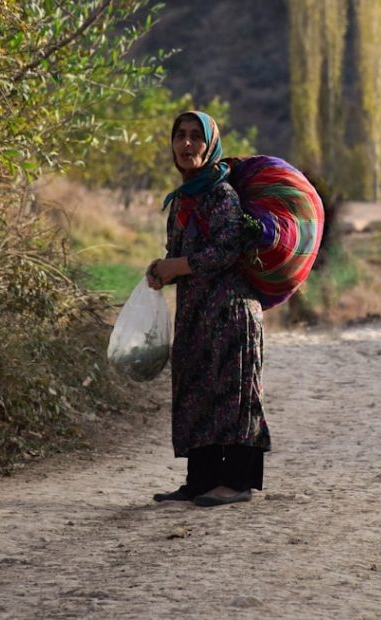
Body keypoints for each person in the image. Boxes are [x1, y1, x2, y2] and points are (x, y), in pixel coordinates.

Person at [146, 111, 269, 507]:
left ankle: (235, 483)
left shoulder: (221, 194)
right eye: (179, 136)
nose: (186, 145)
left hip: (231, 313)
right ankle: (198, 481)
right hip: (197, 314)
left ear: (211, 145)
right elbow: (179, 254)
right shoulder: (184, 198)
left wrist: (177, 266)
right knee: (196, 390)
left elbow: (226, 250)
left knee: (231, 394)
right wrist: (161, 271)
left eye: (195, 137)